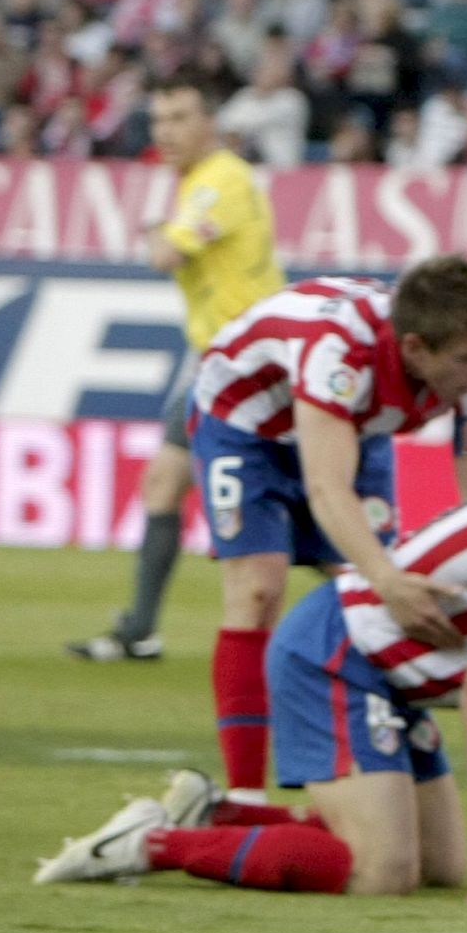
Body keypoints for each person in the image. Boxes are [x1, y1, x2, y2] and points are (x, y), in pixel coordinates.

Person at [34, 482, 467, 900]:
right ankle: (150, 844)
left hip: (397, 682)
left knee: (436, 867)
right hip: (339, 653)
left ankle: (212, 812)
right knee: (380, 870)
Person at [191, 255, 467, 804]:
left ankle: (386, 748)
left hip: (354, 429)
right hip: (245, 427)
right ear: (415, 348)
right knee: (259, 587)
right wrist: (385, 577)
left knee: (382, 601)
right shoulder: (337, 351)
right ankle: (243, 798)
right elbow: (326, 488)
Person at [67, 70, 286, 663]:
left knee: (300, 513)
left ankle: (387, 600)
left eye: (180, 118)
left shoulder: (221, 181)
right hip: (216, 363)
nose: (166, 132)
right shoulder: (199, 183)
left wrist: (158, 232)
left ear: (210, 123)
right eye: (159, 120)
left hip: (252, 369)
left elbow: (167, 253)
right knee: (163, 484)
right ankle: (139, 630)